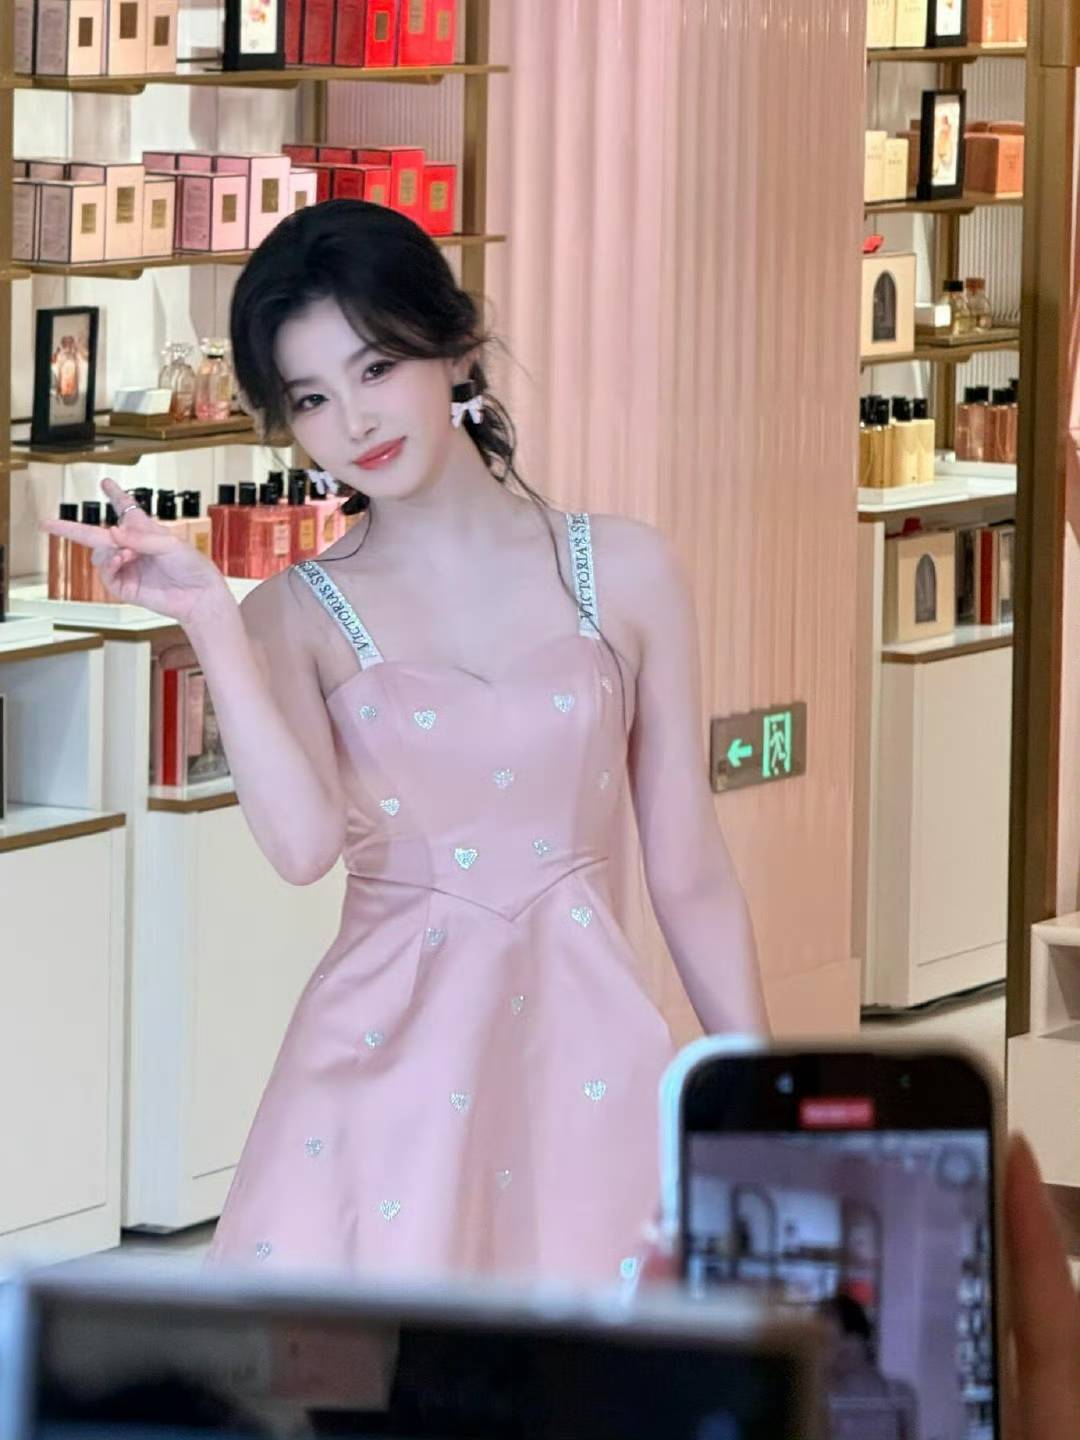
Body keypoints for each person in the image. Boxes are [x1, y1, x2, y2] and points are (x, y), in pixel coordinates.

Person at [44, 199, 766, 1285]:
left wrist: (762, 1093)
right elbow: (301, 849)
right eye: (312, 398)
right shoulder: (289, 615)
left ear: (458, 347)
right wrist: (209, 619)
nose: (354, 421)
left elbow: (689, 867)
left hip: (586, 1065)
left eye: (376, 368)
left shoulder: (627, 570)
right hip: (377, 1086)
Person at [638, 1135, 1080, 1440]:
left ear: (855, 1338)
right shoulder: (814, 1391)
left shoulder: (878, 1394)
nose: (827, 1351)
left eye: (831, 1339)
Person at [816, 1293, 918, 1440]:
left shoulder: (898, 1394)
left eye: (847, 1336)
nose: (841, 1348)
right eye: (829, 1342)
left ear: (863, 1337)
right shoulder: (817, 1401)